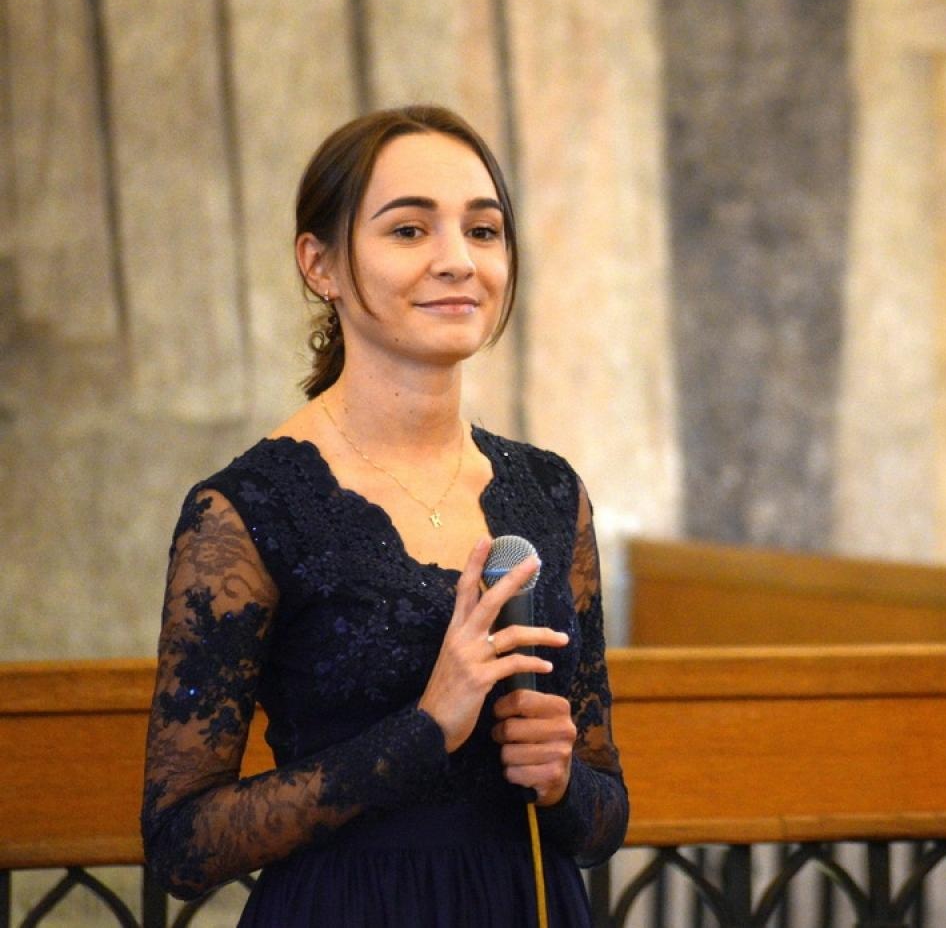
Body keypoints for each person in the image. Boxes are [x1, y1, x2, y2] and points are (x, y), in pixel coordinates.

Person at [141, 105, 627, 926]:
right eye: (409, 231)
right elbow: (184, 845)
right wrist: (426, 727)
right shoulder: (248, 509)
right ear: (320, 263)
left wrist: (561, 777)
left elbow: (603, 818)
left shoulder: (548, 493)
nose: (457, 262)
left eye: (483, 231)